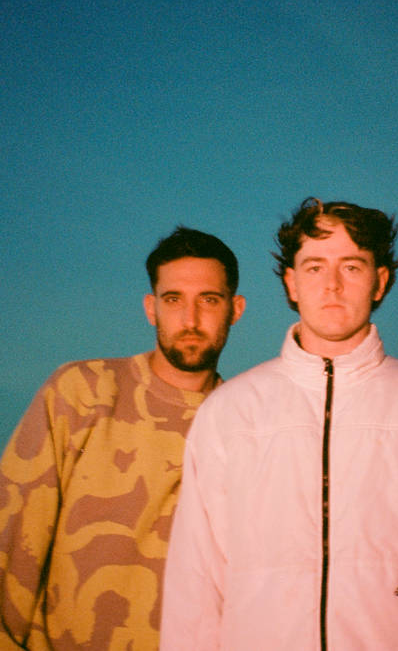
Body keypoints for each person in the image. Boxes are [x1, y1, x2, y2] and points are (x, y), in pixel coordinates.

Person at [160, 198, 398, 650]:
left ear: (380, 281)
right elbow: (195, 582)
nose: (333, 285)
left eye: (352, 267)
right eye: (315, 267)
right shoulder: (230, 412)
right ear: (292, 282)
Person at [0, 226, 246, 651]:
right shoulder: (81, 392)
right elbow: (12, 541)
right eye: (173, 300)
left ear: (235, 309)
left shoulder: (246, 426)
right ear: (151, 308)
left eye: (209, 300)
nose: (190, 320)